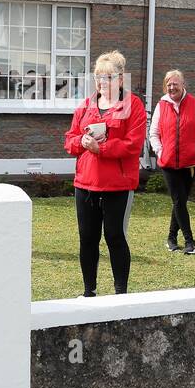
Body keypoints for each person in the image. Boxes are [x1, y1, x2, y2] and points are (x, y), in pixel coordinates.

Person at [63, 50, 147, 296]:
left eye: (108, 77)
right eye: (99, 77)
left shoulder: (133, 105)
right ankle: (89, 291)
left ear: (121, 79)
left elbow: (134, 145)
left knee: (114, 237)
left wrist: (102, 148)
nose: (102, 82)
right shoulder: (87, 105)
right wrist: (83, 141)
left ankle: (121, 292)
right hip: (86, 183)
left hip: (117, 185)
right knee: (87, 239)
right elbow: (69, 141)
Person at [149, 69, 195, 254]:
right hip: (168, 163)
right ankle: (190, 242)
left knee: (180, 201)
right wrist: (160, 151)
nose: (171, 87)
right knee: (178, 200)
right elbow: (153, 133)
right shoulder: (161, 106)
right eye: (168, 84)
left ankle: (170, 238)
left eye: (175, 83)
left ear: (183, 84)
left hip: (190, 163)